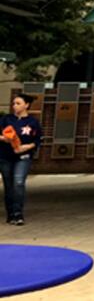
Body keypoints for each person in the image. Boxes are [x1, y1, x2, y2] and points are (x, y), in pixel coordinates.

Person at [1, 93, 42, 225]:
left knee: (18, 182)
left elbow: (37, 140)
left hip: (23, 156)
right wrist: (4, 139)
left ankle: (18, 213)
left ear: (26, 105)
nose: (15, 106)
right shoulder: (6, 119)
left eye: (18, 103)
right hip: (5, 156)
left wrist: (26, 147)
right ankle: (11, 213)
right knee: (9, 185)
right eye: (13, 103)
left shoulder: (33, 122)